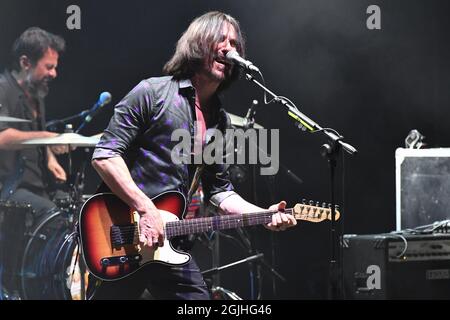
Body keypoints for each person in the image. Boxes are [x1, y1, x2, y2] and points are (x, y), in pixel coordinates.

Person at [88, 11, 297, 300]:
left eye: (235, 43)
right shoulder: (152, 93)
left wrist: (264, 215)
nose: (229, 48)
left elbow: (220, 192)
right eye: (221, 39)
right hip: (120, 237)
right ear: (198, 43)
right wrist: (146, 208)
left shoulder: (218, 120)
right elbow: (105, 155)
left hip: (168, 244)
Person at [0, 27, 67, 217]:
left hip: (37, 187)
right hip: (9, 189)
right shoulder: (3, 89)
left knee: (76, 210)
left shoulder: (37, 95)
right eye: (49, 67)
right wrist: (47, 137)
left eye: (55, 67)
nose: (54, 73)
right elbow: (2, 137)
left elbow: (33, 137)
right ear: (25, 62)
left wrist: (50, 158)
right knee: (52, 215)